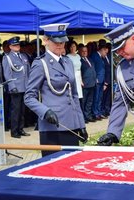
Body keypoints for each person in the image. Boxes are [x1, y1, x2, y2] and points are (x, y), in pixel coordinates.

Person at [24, 23, 88, 156]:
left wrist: (81, 124)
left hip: (71, 123)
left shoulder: (68, 62)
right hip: (52, 125)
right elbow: (29, 97)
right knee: (52, 168)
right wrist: (45, 112)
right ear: (46, 40)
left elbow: (74, 95)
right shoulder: (40, 64)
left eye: (62, 42)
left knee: (71, 165)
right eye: (55, 41)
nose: (60, 45)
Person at [3, 36, 31, 138]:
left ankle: (21, 129)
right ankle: (14, 131)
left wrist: (29, 85)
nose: (17, 46)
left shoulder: (23, 56)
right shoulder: (7, 58)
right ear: (10, 46)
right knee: (16, 110)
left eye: (18, 44)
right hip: (16, 88)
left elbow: (27, 72)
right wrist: (12, 86)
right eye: (14, 45)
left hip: (24, 86)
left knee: (22, 110)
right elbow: (7, 74)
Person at [90, 39, 108, 120]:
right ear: (102, 50)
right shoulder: (94, 56)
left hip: (101, 80)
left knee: (100, 97)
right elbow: (92, 68)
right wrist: (95, 78)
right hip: (97, 80)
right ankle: (95, 113)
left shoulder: (101, 57)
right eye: (105, 52)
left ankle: (99, 112)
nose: (106, 54)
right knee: (96, 97)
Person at [80, 46, 96, 123]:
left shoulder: (90, 59)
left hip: (92, 83)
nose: (84, 52)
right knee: (84, 101)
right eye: (83, 51)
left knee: (90, 101)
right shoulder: (80, 60)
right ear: (80, 51)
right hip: (85, 84)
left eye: (86, 51)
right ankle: (83, 117)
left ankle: (88, 116)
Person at [67, 41, 83, 107]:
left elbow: (80, 68)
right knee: (74, 94)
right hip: (73, 76)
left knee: (80, 95)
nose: (73, 48)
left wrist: (81, 80)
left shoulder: (78, 56)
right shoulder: (68, 56)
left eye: (74, 46)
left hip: (78, 75)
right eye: (71, 46)